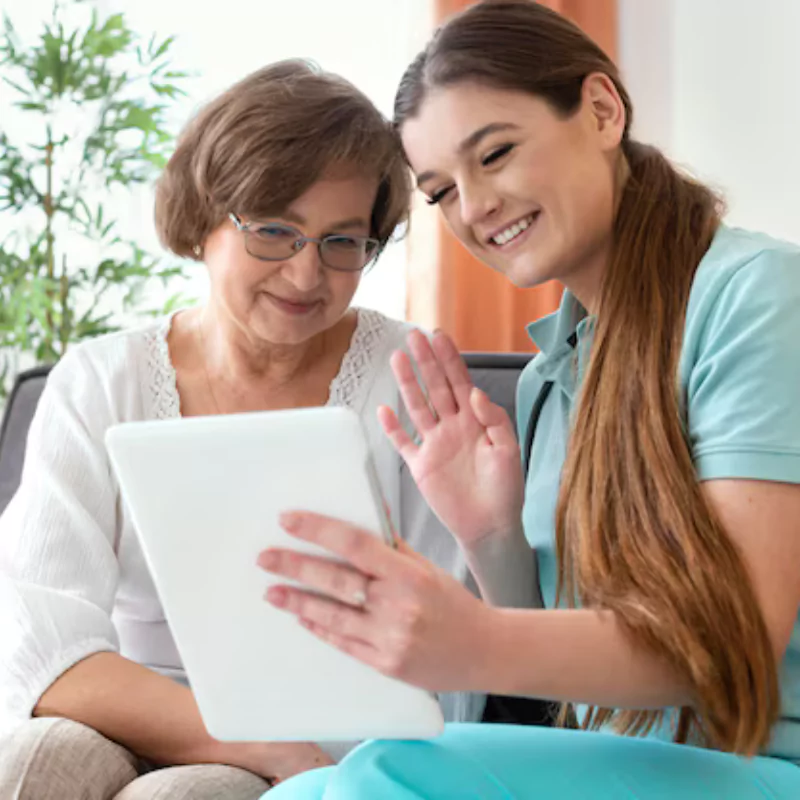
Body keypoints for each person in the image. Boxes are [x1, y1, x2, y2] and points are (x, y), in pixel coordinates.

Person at [258, 2, 800, 797]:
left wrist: (474, 639)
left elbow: (737, 644)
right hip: (631, 765)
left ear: (603, 111)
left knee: (369, 779)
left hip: (763, 766)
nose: (474, 207)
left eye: (497, 153)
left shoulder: (756, 297)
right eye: (441, 192)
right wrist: (491, 534)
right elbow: (567, 701)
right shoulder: (555, 371)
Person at [0, 59, 488, 800]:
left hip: (328, 744)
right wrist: (254, 742)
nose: (304, 275)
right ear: (204, 223)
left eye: (341, 242)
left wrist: (292, 755)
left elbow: (450, 660)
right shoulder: (101, 380)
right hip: (126, 711)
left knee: (186, 796)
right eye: (273, 231)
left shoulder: (408, 376)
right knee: (39, 760)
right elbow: (38, 642)